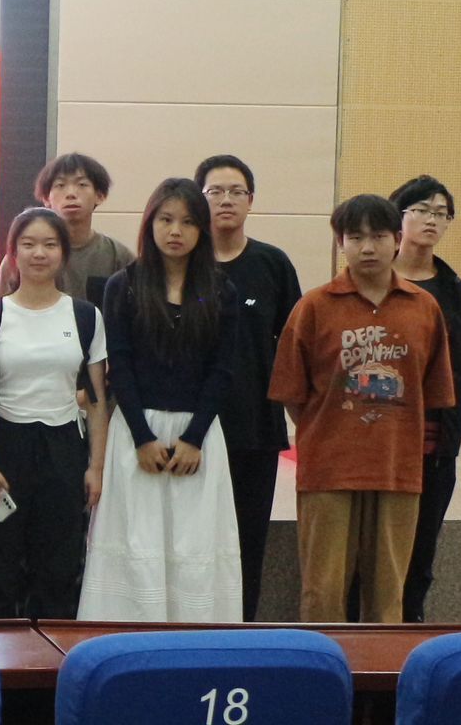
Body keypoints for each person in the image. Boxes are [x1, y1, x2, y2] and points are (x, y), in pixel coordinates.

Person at [272, 193, 457, 625]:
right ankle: (324, 666)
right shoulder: (314, 307)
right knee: (322, 592)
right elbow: (292, 393)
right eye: (355, 237)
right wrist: (330, 429)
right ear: (340, 243)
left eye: (378, 236)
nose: (367, 247)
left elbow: (432, 392)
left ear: (397, 240)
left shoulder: (424, 308)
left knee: (388, 595)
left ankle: (379, 671)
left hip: (396, 470)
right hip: (328, 470)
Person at [78, 178, 243, 621]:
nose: (175, 231)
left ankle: (194, 637)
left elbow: (222, 369)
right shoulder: (124, 285)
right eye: (166, 219)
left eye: (187, 222)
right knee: (136, 538)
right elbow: (120, 366)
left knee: (194, 540)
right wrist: (142, 438)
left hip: (198, 436)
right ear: (149, 223)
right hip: (137, 434)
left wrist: (193, 438)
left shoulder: (219, 289)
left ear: (202, 230)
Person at [0, 208, 110, 620]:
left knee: (59, 566)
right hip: (4, 448)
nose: (39, 253)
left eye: (49, 244)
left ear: (63, 253)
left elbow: (97, 400)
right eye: (28, 244)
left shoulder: (85, 316)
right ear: (12, 253)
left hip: (64, 448)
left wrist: (96, 467)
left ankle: (51, 655)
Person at [196, 153, 304, 622]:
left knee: (247, 540)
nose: (226, 200)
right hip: (192, 432)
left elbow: (296, 345)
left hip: (255, 430)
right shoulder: (183, 262)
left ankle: (242, 629)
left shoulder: (272, 264)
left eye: (236, 191)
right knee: (195, 540)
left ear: (251, 200)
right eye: (215, 191)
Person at [389, 174, 461, 623]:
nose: (432, 220)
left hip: (434, 441)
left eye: (441, 213)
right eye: (421, 210)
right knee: (376, 553)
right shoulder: (374, 282)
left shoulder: (457, 292)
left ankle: (410, 628)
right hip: (381, 439)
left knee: (421, 550)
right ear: (397, 217)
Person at [39, 153, 132, 302]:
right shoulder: (26, 255)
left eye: (82, 185)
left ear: (100, 196)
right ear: (46, 198)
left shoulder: (118, 256)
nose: (71, 194)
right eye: (60, 185)